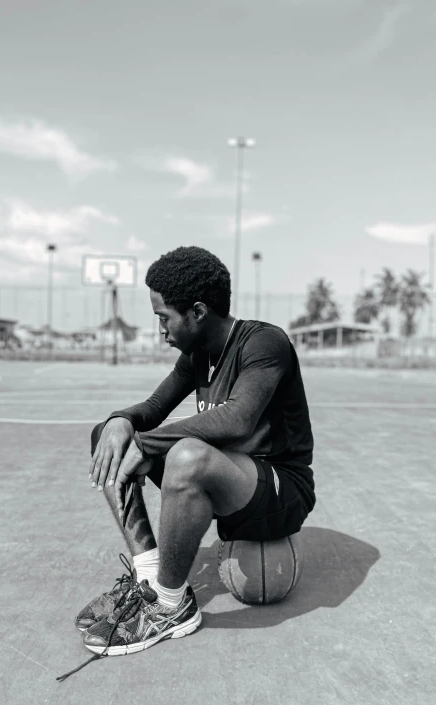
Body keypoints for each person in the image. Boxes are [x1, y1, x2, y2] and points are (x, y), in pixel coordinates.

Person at [57, 245, 315, 679]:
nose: (159, 329)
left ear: (197, 312)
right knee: (108, 436)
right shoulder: (198, 354)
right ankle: (150, 578)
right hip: (231, 485)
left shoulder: (264, 343)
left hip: (279, 490)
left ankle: (170, 607)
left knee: (185, 455)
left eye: (163, 317)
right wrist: (121, 421)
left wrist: (151, 445)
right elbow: (153, 407)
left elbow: (239, 417)